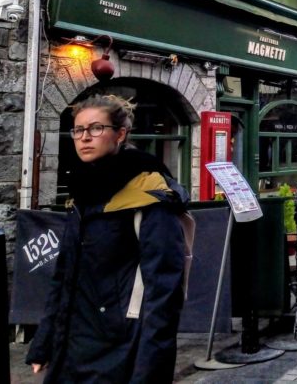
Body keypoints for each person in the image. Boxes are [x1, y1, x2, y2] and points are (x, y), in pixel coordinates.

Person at [28, 94, 188, 383]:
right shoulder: (82, 192)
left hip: (121, 348)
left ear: (120, 134)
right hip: (73, 345)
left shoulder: (148, 195)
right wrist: (44, 343)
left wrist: (149, 372)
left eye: (96, 128)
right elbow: (64, 276)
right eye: (78, 130)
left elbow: (164, 294)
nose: (84, 138)